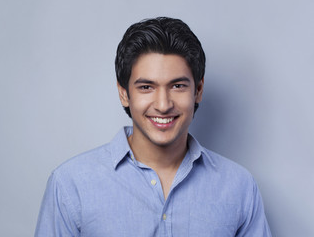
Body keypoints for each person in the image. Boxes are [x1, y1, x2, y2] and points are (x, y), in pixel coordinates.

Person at [35, 17, 272, 236]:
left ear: (198, 91)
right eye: (146, 87)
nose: (163, 104)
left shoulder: (239, 187)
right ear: (124, 94)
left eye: (177, 86)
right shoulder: (70, 184)